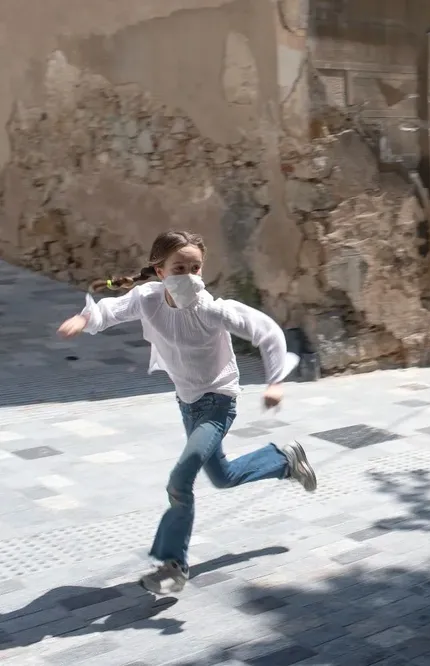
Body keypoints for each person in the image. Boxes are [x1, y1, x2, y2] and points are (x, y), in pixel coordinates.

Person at [57, 230, 316, 595]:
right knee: (223, 476)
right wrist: (84, 321)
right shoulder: (147, 299)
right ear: (161, 271)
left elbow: (268, 333)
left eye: (196, 267)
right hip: (188, 404)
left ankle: (172, 565)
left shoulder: (212, 309)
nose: (190, 275)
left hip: (218, 402)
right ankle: (285, 461)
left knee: (180, 480)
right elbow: (109, 310)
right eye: (180, 267)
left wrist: (274, 381)